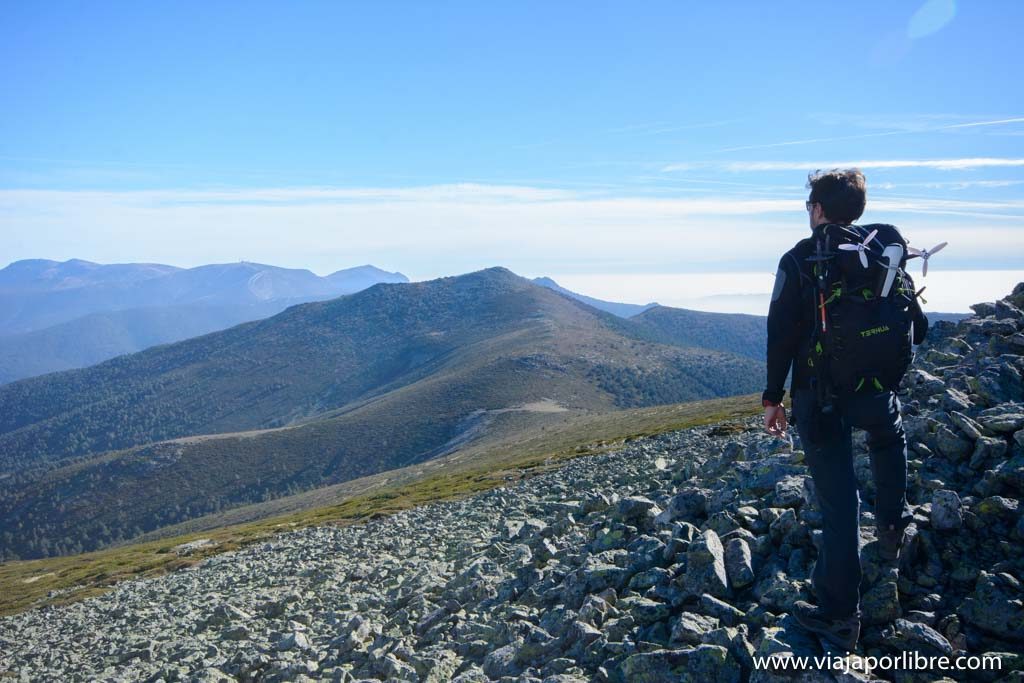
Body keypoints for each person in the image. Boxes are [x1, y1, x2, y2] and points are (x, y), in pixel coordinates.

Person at [761, 168, 925, 651]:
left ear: (816, 209)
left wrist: (774, 397)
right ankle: (893, 529)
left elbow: (781, 333)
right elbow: (913, 318)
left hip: (821, 393)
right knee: (887, 436)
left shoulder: (799, 258)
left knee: (839, 499)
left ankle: (837, 612)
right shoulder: (882, 249)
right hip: (877, 384)